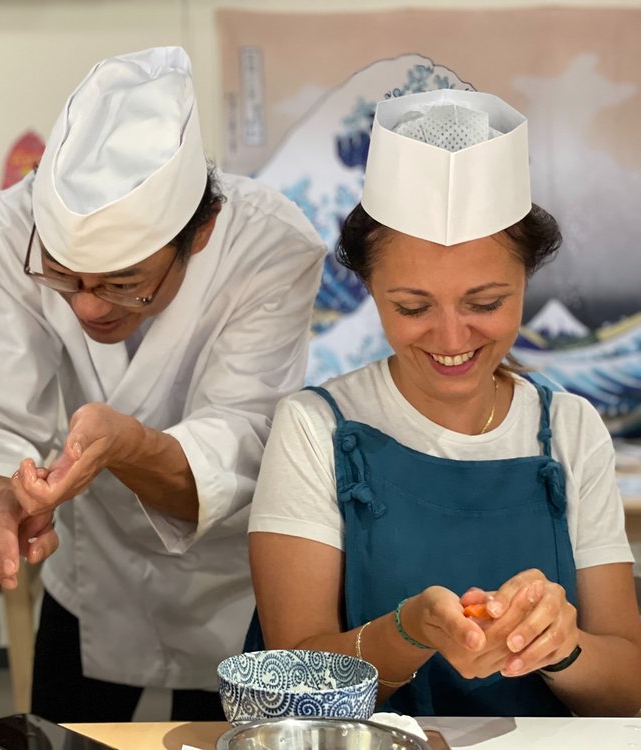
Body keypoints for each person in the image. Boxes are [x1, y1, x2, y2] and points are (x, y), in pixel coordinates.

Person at [0, 46, 325, 722]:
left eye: (123, 286)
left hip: (232, 581)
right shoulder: (17, 223)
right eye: (65, 279)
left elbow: (240, 434)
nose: (87, 309)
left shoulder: (268, 246)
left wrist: (127, 446)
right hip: (90, 573)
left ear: (195, 236)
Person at [248, 89, 641, 717]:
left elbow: (630, 694)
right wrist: (406, 632)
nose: (453, 340)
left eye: (486, 304)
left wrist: (561, 647)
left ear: (527, 281)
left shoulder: (568, 428)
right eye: (412, 307)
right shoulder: (316, 428)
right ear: (369, 289)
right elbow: (289, 691)